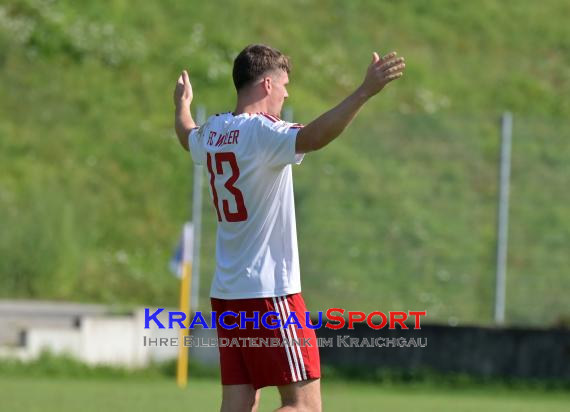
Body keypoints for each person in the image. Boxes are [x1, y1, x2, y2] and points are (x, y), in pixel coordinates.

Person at [173, 44, 405, 412]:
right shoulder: (263, 132)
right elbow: (313, 137)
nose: (287, 93)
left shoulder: (214, 131)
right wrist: (364, 92)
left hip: (228, 292)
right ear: (266, 84)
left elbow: (187, 136)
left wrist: (182, 105)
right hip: (269, 293)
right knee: (304, 406)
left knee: (238, 402)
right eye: (284, 84)